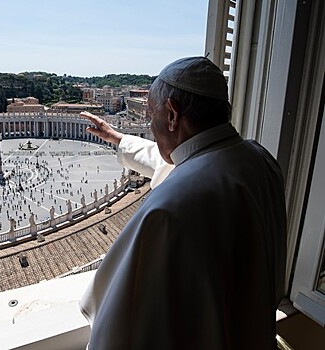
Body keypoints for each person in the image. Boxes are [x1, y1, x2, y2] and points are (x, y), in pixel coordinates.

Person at [79, 56, 287, 349]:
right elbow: (181, 161)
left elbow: (118, 325)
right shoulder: (260, 159)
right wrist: (118, 137)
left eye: (151, 115)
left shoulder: (167, 208)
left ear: (172, 115)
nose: (150, 125)